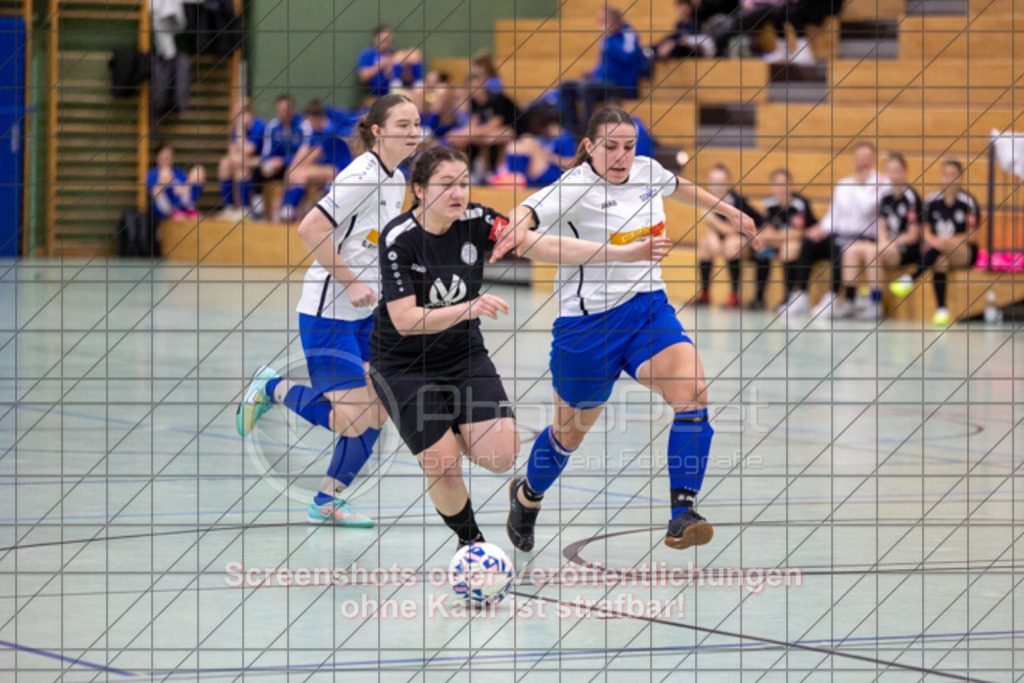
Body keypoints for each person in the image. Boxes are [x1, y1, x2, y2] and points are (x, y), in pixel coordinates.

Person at [371, 145, 671, 548]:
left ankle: (446, 431)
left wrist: (621, 253)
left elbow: (543, 245)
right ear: (420, 190)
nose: (458, 193)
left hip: (461, 354)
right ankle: (472, 543)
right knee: (442, 465)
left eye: (463, 183)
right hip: (404, 362)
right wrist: (469, 308)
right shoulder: (399, 238)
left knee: (501, 455)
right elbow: (405, 320)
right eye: (446, 185)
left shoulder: (477, 220)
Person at [491, 107, 756, 553]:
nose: (621, 156)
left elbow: (678, 186)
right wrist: (515, 227)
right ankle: (527, 495)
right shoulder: (574, 187)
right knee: (568, 435)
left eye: (628, 146)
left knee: (693, 394)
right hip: (588, 327)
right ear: (589, 146)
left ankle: (682, 514)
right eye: (610, 146)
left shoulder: (646, 170)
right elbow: (527, 212)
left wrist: (728, 211)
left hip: (648, 310)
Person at [235, 94, 422, 526]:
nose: (414, 132)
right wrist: (352, 282)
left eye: (417, 124)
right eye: (403, 124)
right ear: (378, 131)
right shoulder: (361, 176)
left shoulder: (396, 178)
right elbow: (311, 228)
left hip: (366, 315)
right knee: (352, 420)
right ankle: (272, 389)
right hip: (329, 313)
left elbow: (371, 243)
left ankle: (326, 500)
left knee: (378, 412)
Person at [796, 141, 887, 319]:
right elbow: (833, 214)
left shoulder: (881, 182)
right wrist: (820, 228)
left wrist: (860, 183)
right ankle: (801, 294)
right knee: (809, 242)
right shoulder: (843, 183)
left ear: (873, 159)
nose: (862, 161)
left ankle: (834, 296)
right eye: (859, 157)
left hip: (864, 236)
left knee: (840, 248)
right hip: (840, 232)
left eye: (866, 157)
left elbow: (867, 206)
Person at [891, 159, 979, 327]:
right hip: (939, 253)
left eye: (953, 175)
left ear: (961, 178)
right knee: (940, 262)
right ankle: (941, 310)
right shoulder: (932, 200)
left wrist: (947, 241)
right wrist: (936, 241)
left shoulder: (968, 201)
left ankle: (912, 277)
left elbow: (973, 235)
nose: (949, 179)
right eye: (946, 175)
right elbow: (926, 232)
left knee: (944, 244)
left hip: (963, 253)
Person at [839, 152, 922, 321]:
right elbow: (882, 227)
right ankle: (849, 301)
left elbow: (913, 235)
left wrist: (890, 242)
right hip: (887, 245)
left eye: (897, 170)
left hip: (906, 248)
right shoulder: (886, 197)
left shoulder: (911, 197)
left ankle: (876, 303)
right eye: (890, 171)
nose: (894, 175)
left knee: (873, 251)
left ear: (904, 171)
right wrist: (884, 241)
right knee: (850, 249)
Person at [559, 7, 650, 136]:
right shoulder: (608, 39)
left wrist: (609, 41)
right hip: (604, 82)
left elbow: (628, 58)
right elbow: (605, 65)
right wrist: (593, 73)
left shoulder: (627, 34)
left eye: (604, 20)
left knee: (588, 89)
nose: (601, 24)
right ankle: (571, 130)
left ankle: (588, 131)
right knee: (566, 86)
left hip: (622, 84)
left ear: (615, 20)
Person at [694, 163, 764, 308]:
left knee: (732, 245)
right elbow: (712, 230)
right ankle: (705, 294)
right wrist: (712, 236)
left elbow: (736, 230)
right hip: (727, 237)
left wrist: (710, 219)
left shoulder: (737, 201)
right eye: (713, 182)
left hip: (749, 239)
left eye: (720, 182)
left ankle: (734, 296)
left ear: (728, 183)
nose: (717, 186)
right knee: (705, 245)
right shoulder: (708, 200)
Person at [279, 99, 354, 222]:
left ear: (317, 118)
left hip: (341, 169)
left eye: (310, 121)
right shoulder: (316, 130)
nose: (309, 125)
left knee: (301, 174)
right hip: (328, 168)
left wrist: (294, 170)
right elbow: (305, 150)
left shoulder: (330, 130)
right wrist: (292, 168)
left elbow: (313, 155)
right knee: (296, 172)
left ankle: (290, 210)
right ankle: (292, 210)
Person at [447, 54, 520, 181]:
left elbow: (493, 125)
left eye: (476, 86)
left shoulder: (497, 99)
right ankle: (471, 171)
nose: (473, 90)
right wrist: (462, 133)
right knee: (469, 137)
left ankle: (492, 171)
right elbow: (473, 123)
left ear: (483, 85)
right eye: (470, 88)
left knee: (488, 137)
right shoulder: (475, 103)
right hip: (495, 130)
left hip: (515, 130)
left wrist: (468, 133)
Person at [761, 168, 818, 314]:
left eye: (784, 184)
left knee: (789, 248)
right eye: (777, 184)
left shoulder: (800, 203)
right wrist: (781, 237)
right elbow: (766, 233)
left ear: (791, 185)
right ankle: (758, 297)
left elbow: (799, 233)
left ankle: (791, 295)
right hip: (782, 242)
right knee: (760, 248)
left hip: (806, 244)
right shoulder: (769, 204)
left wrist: (778, 236)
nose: (781, 188)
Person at [251, 93, 312, 219]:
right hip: (276, 166)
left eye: (286, 110)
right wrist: (270, 162)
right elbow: (266, 151)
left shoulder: (303, 125)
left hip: (295, 164)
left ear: (293, 109)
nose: (284, 113)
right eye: (281, 110)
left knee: (294, 172)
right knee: (259, 169)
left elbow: (304, 153)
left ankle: (288, 209)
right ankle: (258, 208)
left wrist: (283, 161)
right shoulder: (272, 126)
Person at [217, 99, 265, 220]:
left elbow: (248, 150)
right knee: (224, 163)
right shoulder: (235, 129)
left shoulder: (259, 126)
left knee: (241, 167)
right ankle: (229, 208)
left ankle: (245, 209)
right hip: (244, 161)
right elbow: (231, 152)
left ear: (248, 114)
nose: (234, 117)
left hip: (261, 163)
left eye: (237, 113)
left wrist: (240, 130)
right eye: (233, 113)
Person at [357, 25, 424, 97]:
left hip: (400, 86)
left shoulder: (392, 52)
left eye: (389, 40)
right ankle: (397, 87)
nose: (387, 42)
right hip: (379, 90)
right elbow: (363, 76)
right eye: (384, 39)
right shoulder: (368, 53)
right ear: (376, 38)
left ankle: (417, 84)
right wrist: (382, 65)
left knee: (414, 53)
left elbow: (404, 76)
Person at [147, 141, 205, 221]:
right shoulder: (153, 173)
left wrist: (180, 189)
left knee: (198, 171)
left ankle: (188, 209)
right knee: (164, 177)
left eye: (169, 156)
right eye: (164, 156)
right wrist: (167, 185)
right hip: (164, 207)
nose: (167, 158)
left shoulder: (178, 172)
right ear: (157, 157)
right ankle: (172, 211)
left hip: (181, 202)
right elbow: (154, 192)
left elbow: (185, 189)